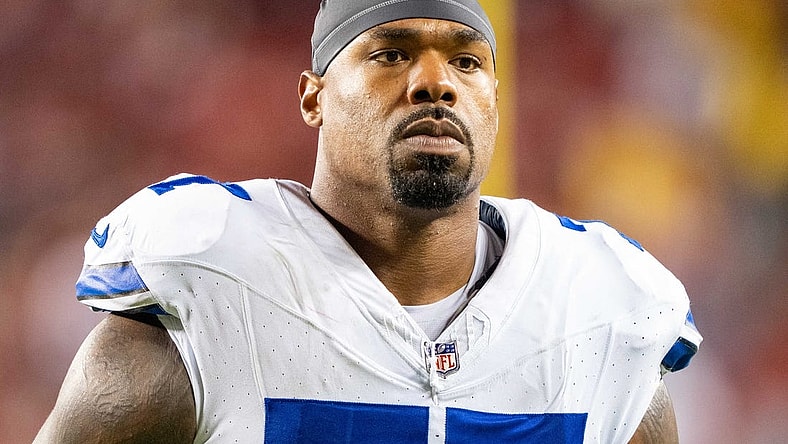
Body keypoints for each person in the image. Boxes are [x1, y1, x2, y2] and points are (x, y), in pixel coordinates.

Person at [35, 0, 702, 442]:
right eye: (392, 53)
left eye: (467, 61)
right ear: (314, 96)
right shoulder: (209, 293)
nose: (436, 83)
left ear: (495, 100)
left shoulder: (602, 320)